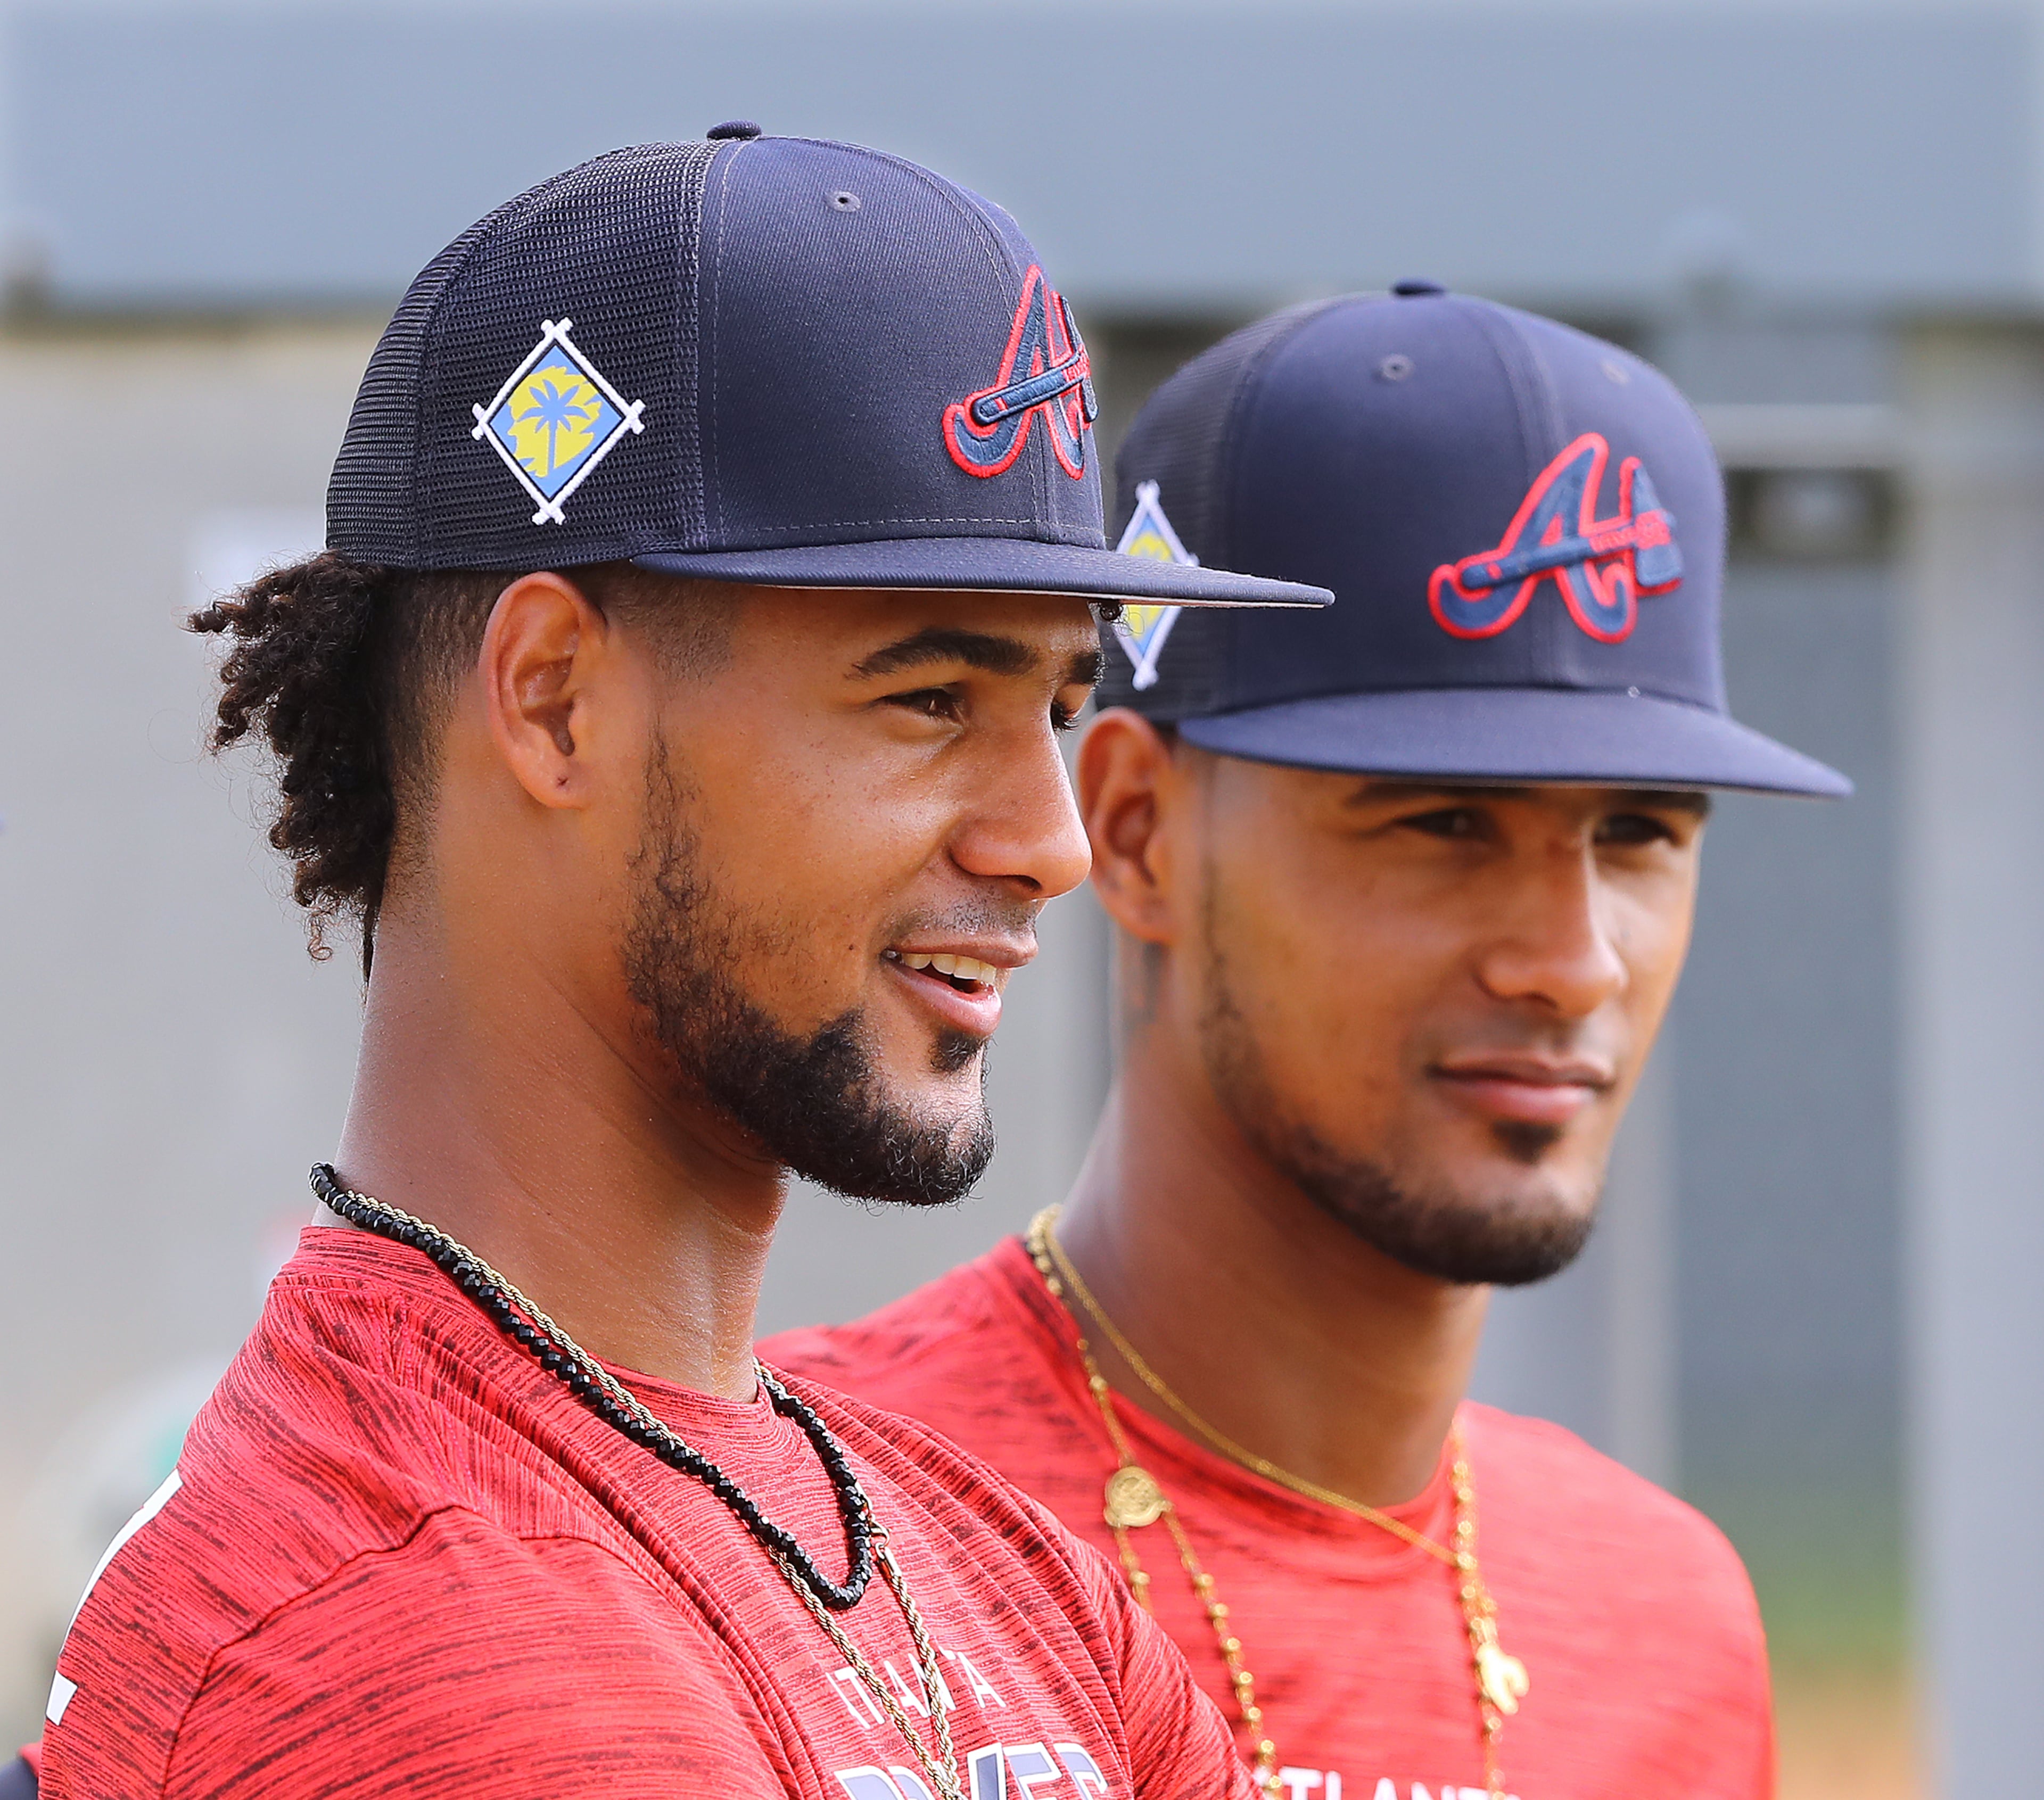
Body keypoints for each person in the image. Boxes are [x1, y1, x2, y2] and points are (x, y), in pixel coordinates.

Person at [31, 131, 1328, 1800]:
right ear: (557, 698)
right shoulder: (418, 1640)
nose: (1052, 839)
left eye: (1062, 710)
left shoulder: (1002, 1568)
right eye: (933, 698)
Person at [765, 286, 1851, 1800]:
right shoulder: (799, 1515)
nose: (1571, 958)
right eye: (1443, 824)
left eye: (1639, 832)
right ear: (1135, 833)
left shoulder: (1666, 1617)